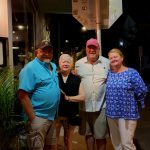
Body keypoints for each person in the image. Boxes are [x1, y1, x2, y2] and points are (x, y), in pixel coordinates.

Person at [18, 42, 60, 150]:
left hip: (52, 117)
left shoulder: (53, 66)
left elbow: (51, 84)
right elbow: (22, 95)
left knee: (49, 147)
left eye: (49, 51)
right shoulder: (30, 68)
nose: (47, 54)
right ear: (37, 51)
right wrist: (33, 118)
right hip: (38, 117)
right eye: (43, 51)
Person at [105, 48, 148, 150]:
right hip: (111, 113)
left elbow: (142, 89)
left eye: (115, 56)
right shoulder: (108, 74)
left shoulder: (131, 73)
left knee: (127, 144)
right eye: (111, 58)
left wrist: (135, 102)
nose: (113, 59)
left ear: (122, 57)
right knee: (117, 144)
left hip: (127, 113)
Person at [75, 38, 110, 150]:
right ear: (86, 49)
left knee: (100, 136)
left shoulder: (107, 62)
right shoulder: (78, 64)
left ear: (98, 49)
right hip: (84, 106)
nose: (92, 50)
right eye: (89, 47)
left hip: (101, 106)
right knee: (88, 134)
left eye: (94, 47)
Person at [56, 54, 85, 150]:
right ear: (59, 63)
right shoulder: (54, 77)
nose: (65, 63)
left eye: (68, 61)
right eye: (63, 61)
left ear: (72, 64)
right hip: (57, 112)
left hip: (72, 112)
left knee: (69, 139)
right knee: (54, 139)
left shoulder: (77, 78)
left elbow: (83, 96)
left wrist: (68, 98)